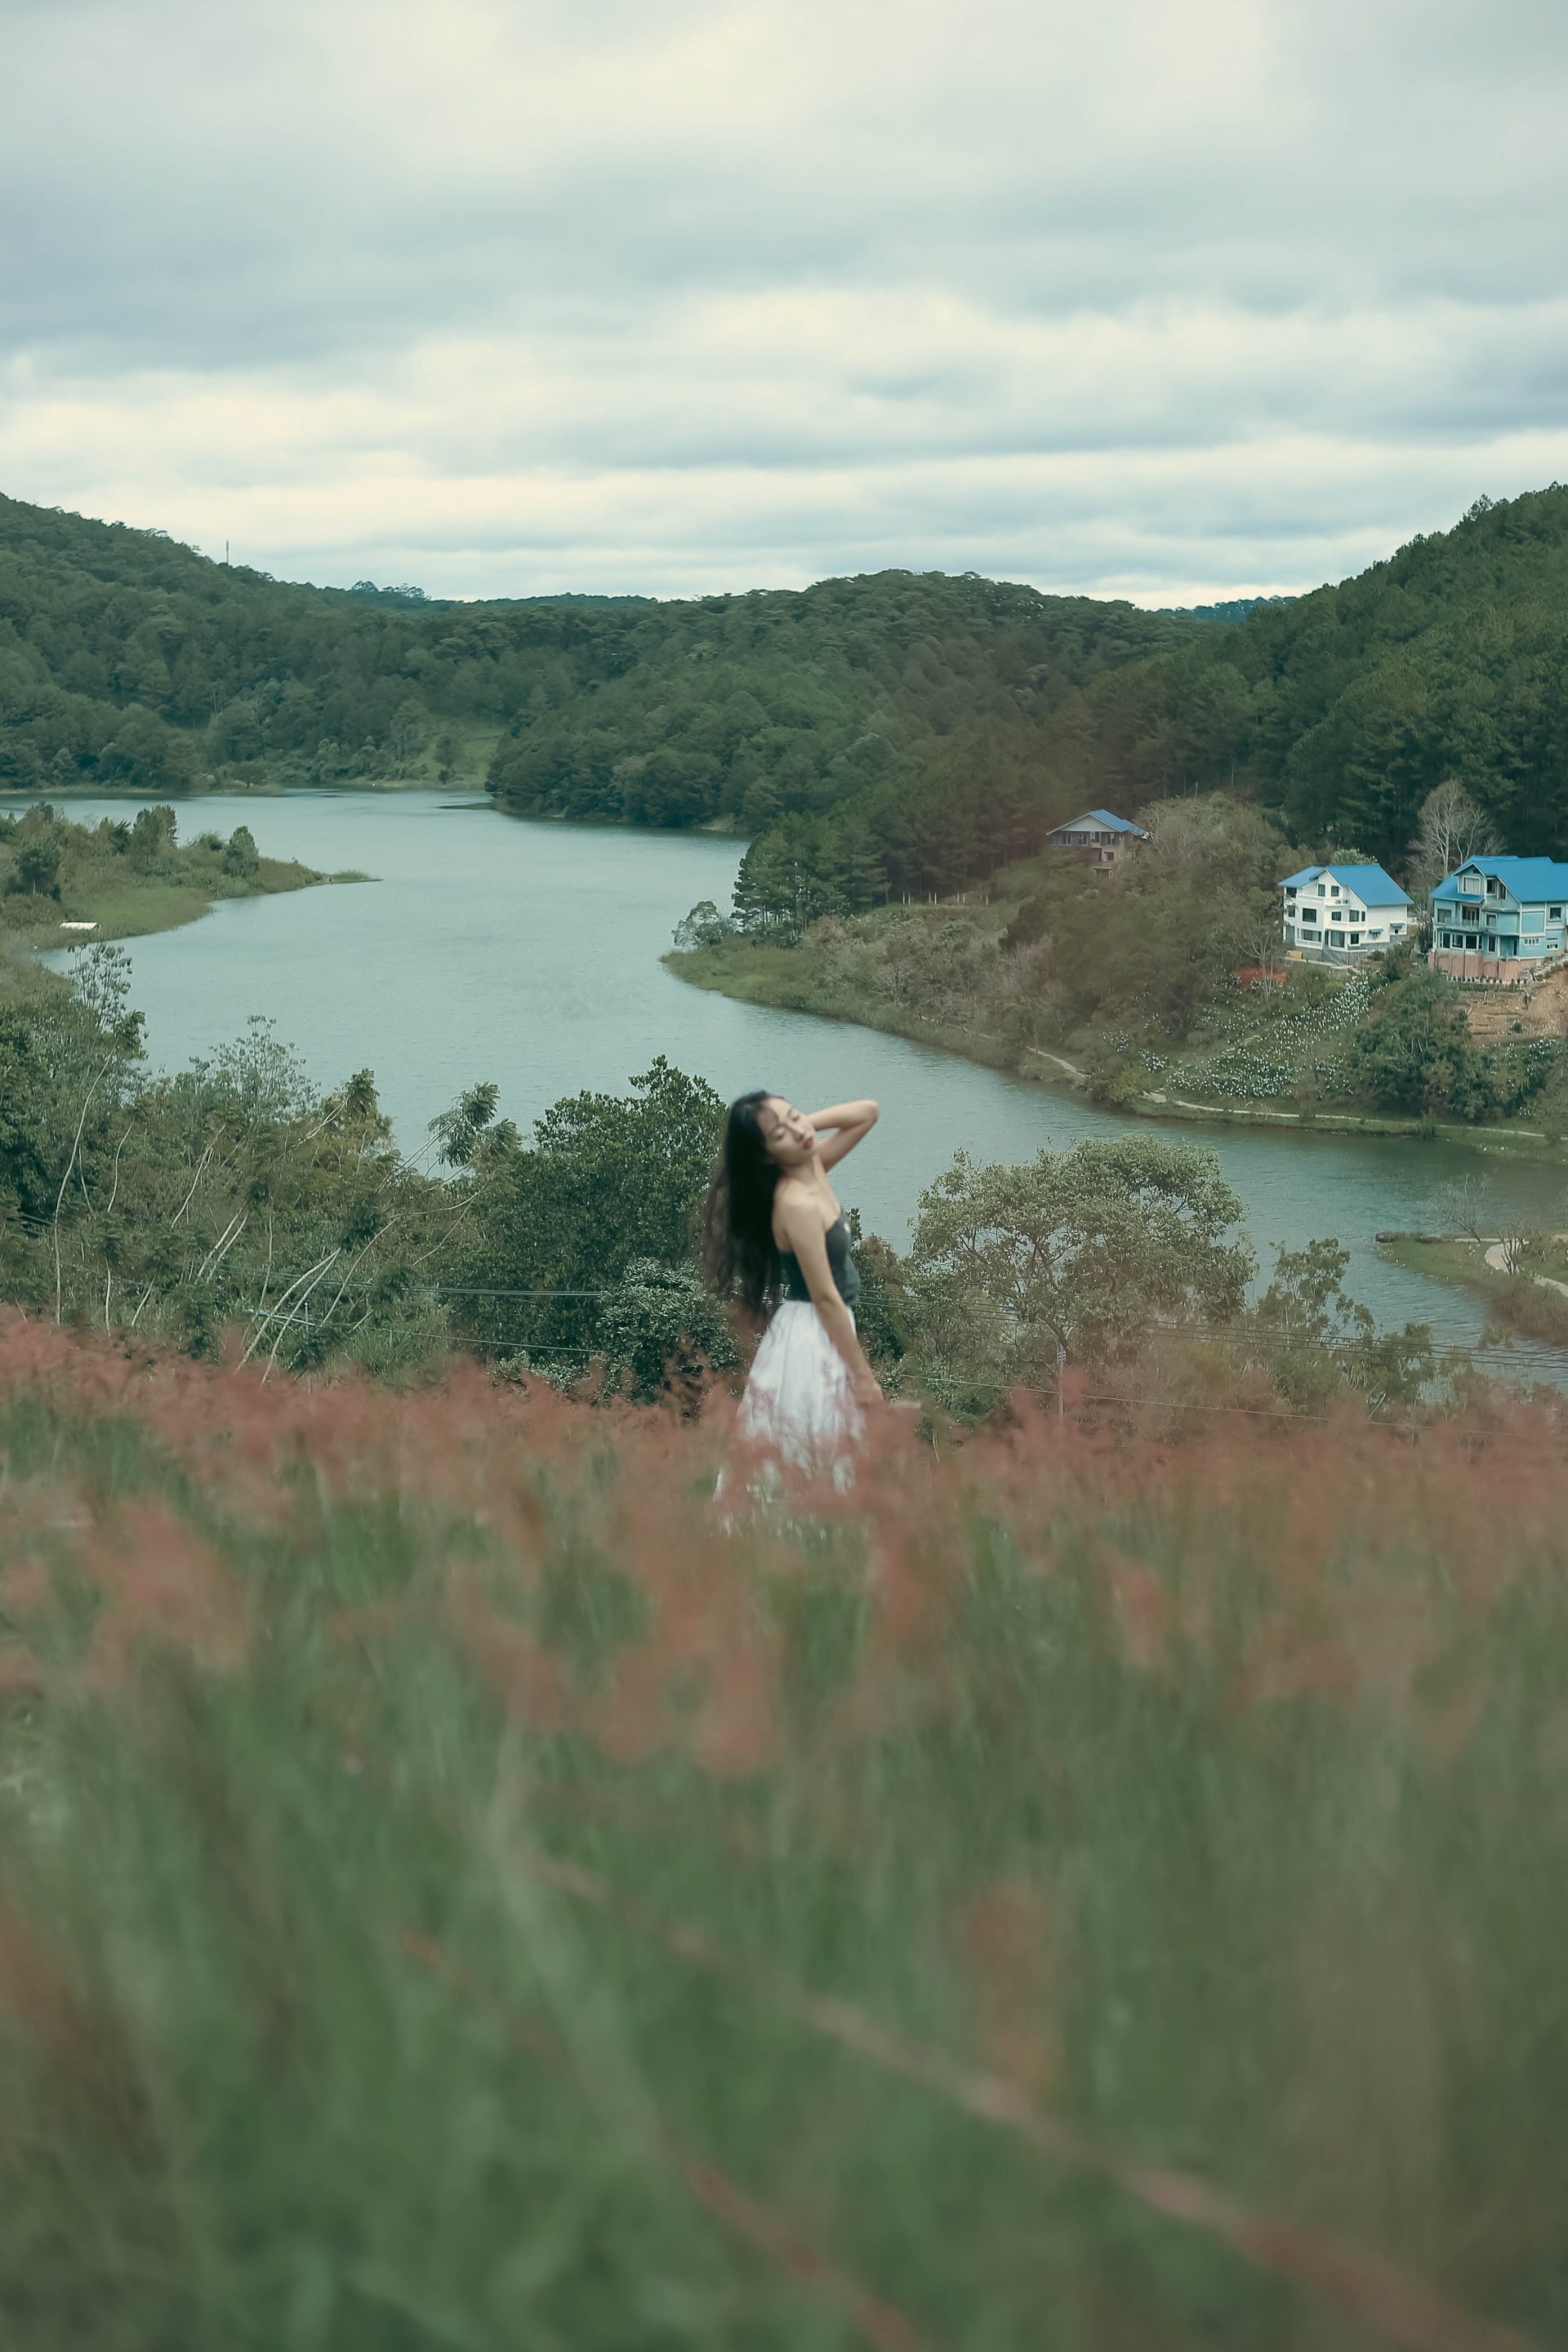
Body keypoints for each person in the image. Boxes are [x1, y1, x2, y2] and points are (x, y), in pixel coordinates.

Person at [705, 1092, 881, 1474]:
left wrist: (794, 1129)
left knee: (826, 1446)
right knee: (813, 1446)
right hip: (813, 1333)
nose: (799, 1130)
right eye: (779, 1135)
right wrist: (864, 1377)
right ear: (766, 1156)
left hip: (826, 1325)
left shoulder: (811, 1165)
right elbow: (826, 1297)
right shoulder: (795, 1203)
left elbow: (867, 1113)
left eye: (795, 1116)